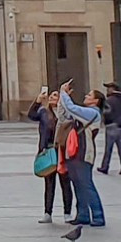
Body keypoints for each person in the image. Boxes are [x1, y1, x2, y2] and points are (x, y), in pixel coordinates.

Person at [56, 81, 105, 241]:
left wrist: (63, 93)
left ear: (96, 101)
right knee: (77, 183)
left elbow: (73, 109)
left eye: (89, 95)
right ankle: (83, 214)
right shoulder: (85, 112)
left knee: (86, 183)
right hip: (75, 152)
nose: (86, 96)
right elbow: (64, 116)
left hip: (84, 153)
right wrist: (63, 100)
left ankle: (98, 215)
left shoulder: (93, 113)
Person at [29, 89, 74, 223]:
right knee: (49, 183)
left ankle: (67, 213)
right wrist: (37, 101)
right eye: (51, 95)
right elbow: (31, 115)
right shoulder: (44, 112)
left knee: (65, 182)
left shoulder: (66, 113)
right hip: (48, 149)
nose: (53, 97)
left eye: (56, 95)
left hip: (62, 150)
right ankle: (47, 213)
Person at [100, 86, 121, 175]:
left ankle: (105, 166)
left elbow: (107, 112)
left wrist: (105, 119)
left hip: (112, 126)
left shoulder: (110, 100)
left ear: (112, 89)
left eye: (108, 88)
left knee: (108, 148)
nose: (107, 90)